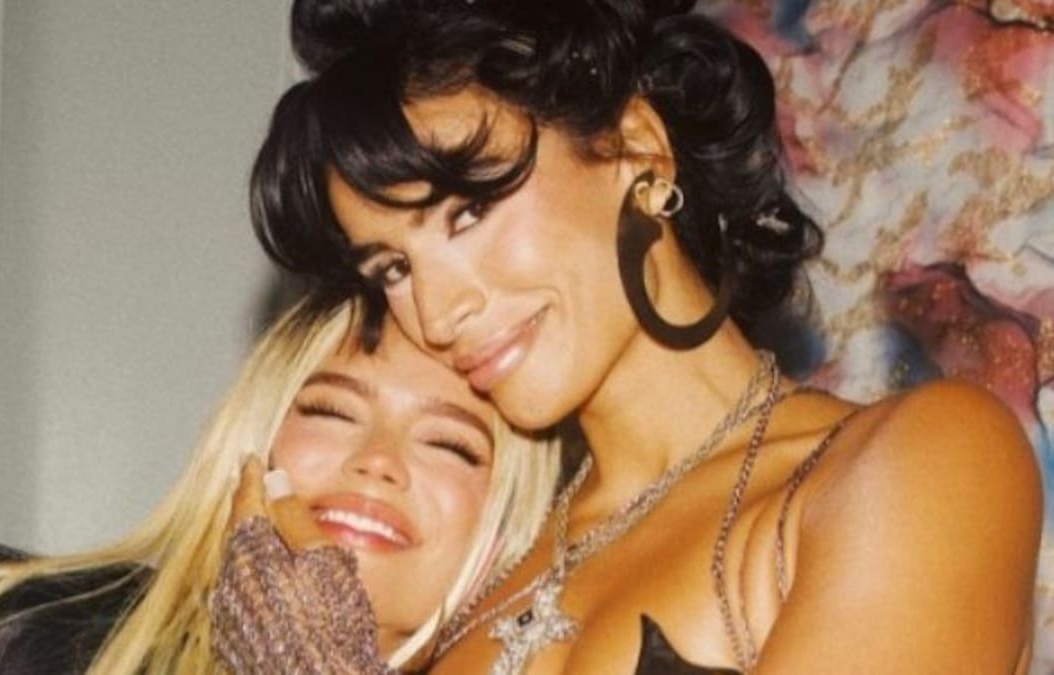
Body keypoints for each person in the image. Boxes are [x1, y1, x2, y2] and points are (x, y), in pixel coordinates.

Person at [247, 0, 1044, 672]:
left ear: (638, 147)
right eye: (393, 266)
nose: (437, 310)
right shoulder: (472, 575)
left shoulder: (917, 461)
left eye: (468, 211)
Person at [0, 299, 560, 674]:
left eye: (450, 444)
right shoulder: (20, 639)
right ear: (253, 443)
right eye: (332, 411)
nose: (378, 460)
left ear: (507, 520)